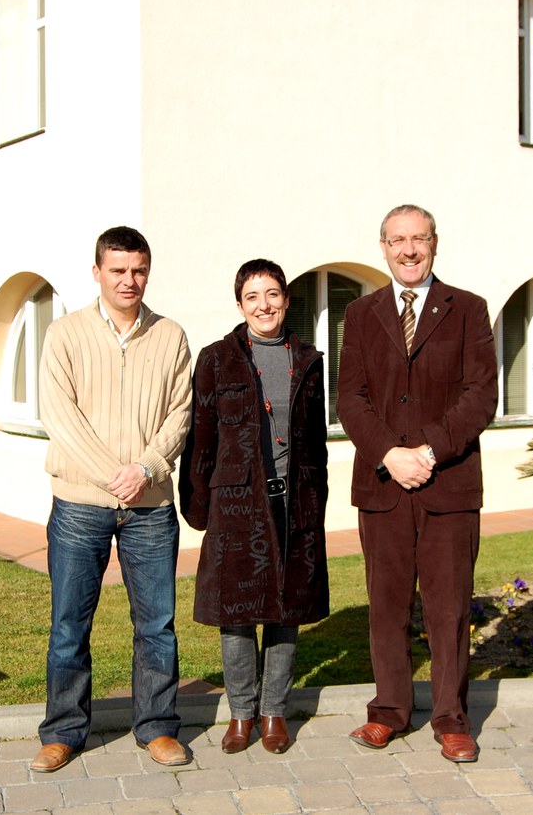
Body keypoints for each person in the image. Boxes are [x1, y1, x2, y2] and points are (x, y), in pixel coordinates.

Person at [336, 204, 497, 763]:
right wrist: (389, 454)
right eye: (398, 240)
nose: (409, 250)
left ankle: (451, 719)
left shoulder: (469, 309)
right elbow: (350, 398)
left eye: (418, 239)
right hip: (383, 486)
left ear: (434, 244)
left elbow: (481, 396)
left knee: (449, 609)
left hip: (448, 484)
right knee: (387, 605)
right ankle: (389, 712)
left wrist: (426, 452)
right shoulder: (361, 313)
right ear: (383, 247)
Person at [30, 226, 193, 773]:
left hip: (151, 507)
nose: (129, 280)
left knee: (157, 625)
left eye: (139, 270)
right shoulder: (64, 334)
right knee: (69, 625)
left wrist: (145, 469)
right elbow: (59, 415)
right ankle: (63, 732)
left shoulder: (170, 335)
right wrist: (112, 476)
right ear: (97, 272)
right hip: (80, 504)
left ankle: (157, 727)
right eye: (118, 270)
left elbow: (181, 413)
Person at [179, 259, 329, 755]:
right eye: (252, 297)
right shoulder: (216, 359)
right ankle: (242, 713)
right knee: (237, 612)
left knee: (286, 611)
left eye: (272, 295)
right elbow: (201, 436)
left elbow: (316, 442)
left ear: (286, 299)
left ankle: (273, 712)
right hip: (236, 503)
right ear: (240, 305)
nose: (263, 305)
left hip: (294, 502)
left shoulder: (309, 359)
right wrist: (198, 505)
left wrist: (318, 501)